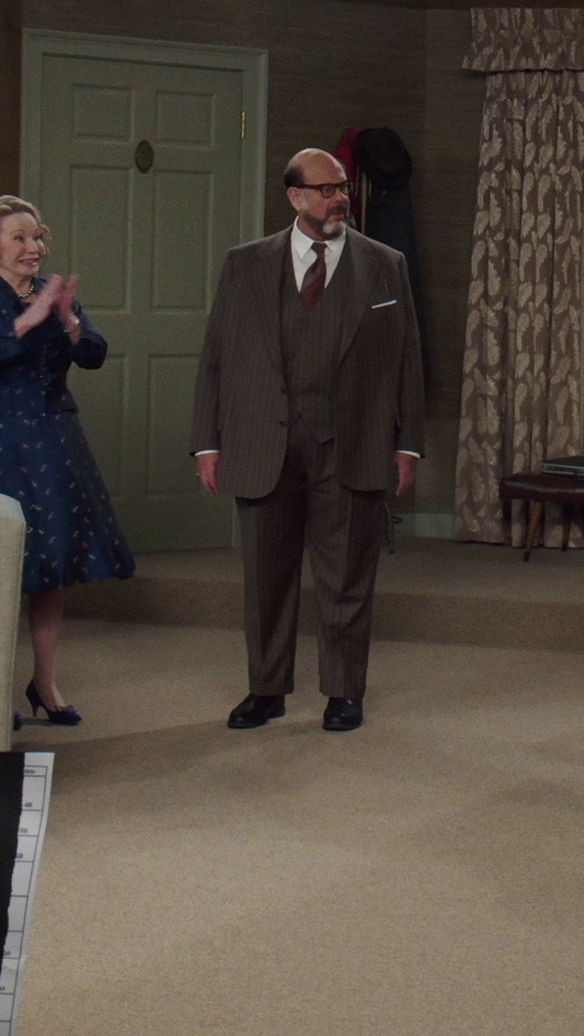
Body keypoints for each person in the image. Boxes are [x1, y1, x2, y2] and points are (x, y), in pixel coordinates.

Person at [191, 148, 425, 734]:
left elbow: (408, 360)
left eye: (342, 187)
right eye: (326, 190)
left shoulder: (385, 264)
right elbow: (216, 355)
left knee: (346, 577)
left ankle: (343, 692)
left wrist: (408, 443)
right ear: (295, 197)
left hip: (353, 442)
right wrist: (207, 442)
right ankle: (266, 689)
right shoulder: (245, 264)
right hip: (263, 443)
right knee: (266, 579)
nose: (339, 198)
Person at [0, 195, 135, 727]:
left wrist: (68, 317)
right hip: (0, 441)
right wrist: (25, 323)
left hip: (54, 439)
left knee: (50, 567)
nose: (34, 247)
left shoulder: (53, 293)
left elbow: (93, 354)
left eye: (38, 237)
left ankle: (45, 683)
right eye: (20, 238)